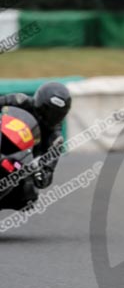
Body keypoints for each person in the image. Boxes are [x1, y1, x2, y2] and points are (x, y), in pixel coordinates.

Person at [0, 81, 72, 210]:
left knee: (29, 195)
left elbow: (47, 176)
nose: (51, 117)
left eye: (56, 114)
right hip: (3, 138)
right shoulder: (20, 100)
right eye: (48, 110)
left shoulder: (55, 138)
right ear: (39, 102)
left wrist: (40, 173)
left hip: (19, 162)